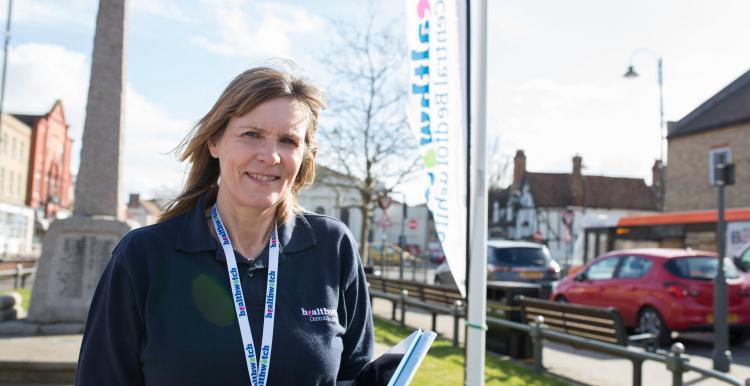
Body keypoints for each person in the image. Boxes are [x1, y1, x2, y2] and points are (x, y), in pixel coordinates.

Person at [75, 66, 374, 385]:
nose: (270, 155)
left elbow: (355, 374)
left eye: (288, 141)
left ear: (304, 157)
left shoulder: (332, 247)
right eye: (252, 135)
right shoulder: (144, 256)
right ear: (215, 142)